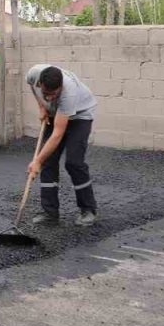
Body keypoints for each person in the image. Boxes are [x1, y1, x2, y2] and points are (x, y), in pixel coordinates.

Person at [25, 64, 99, 227]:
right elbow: (32, 88)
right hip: (55, 114)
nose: (49, 97)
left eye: (53, 94)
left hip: (80, 116)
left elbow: (58, 134)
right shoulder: (33, 74)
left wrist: (36, 160)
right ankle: (50, 213)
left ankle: (88, 209)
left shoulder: (69, 92)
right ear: (40, 83)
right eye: (46, 93)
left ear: (60, 88)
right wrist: (42, 106)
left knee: (74, 162)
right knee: (48, 161)